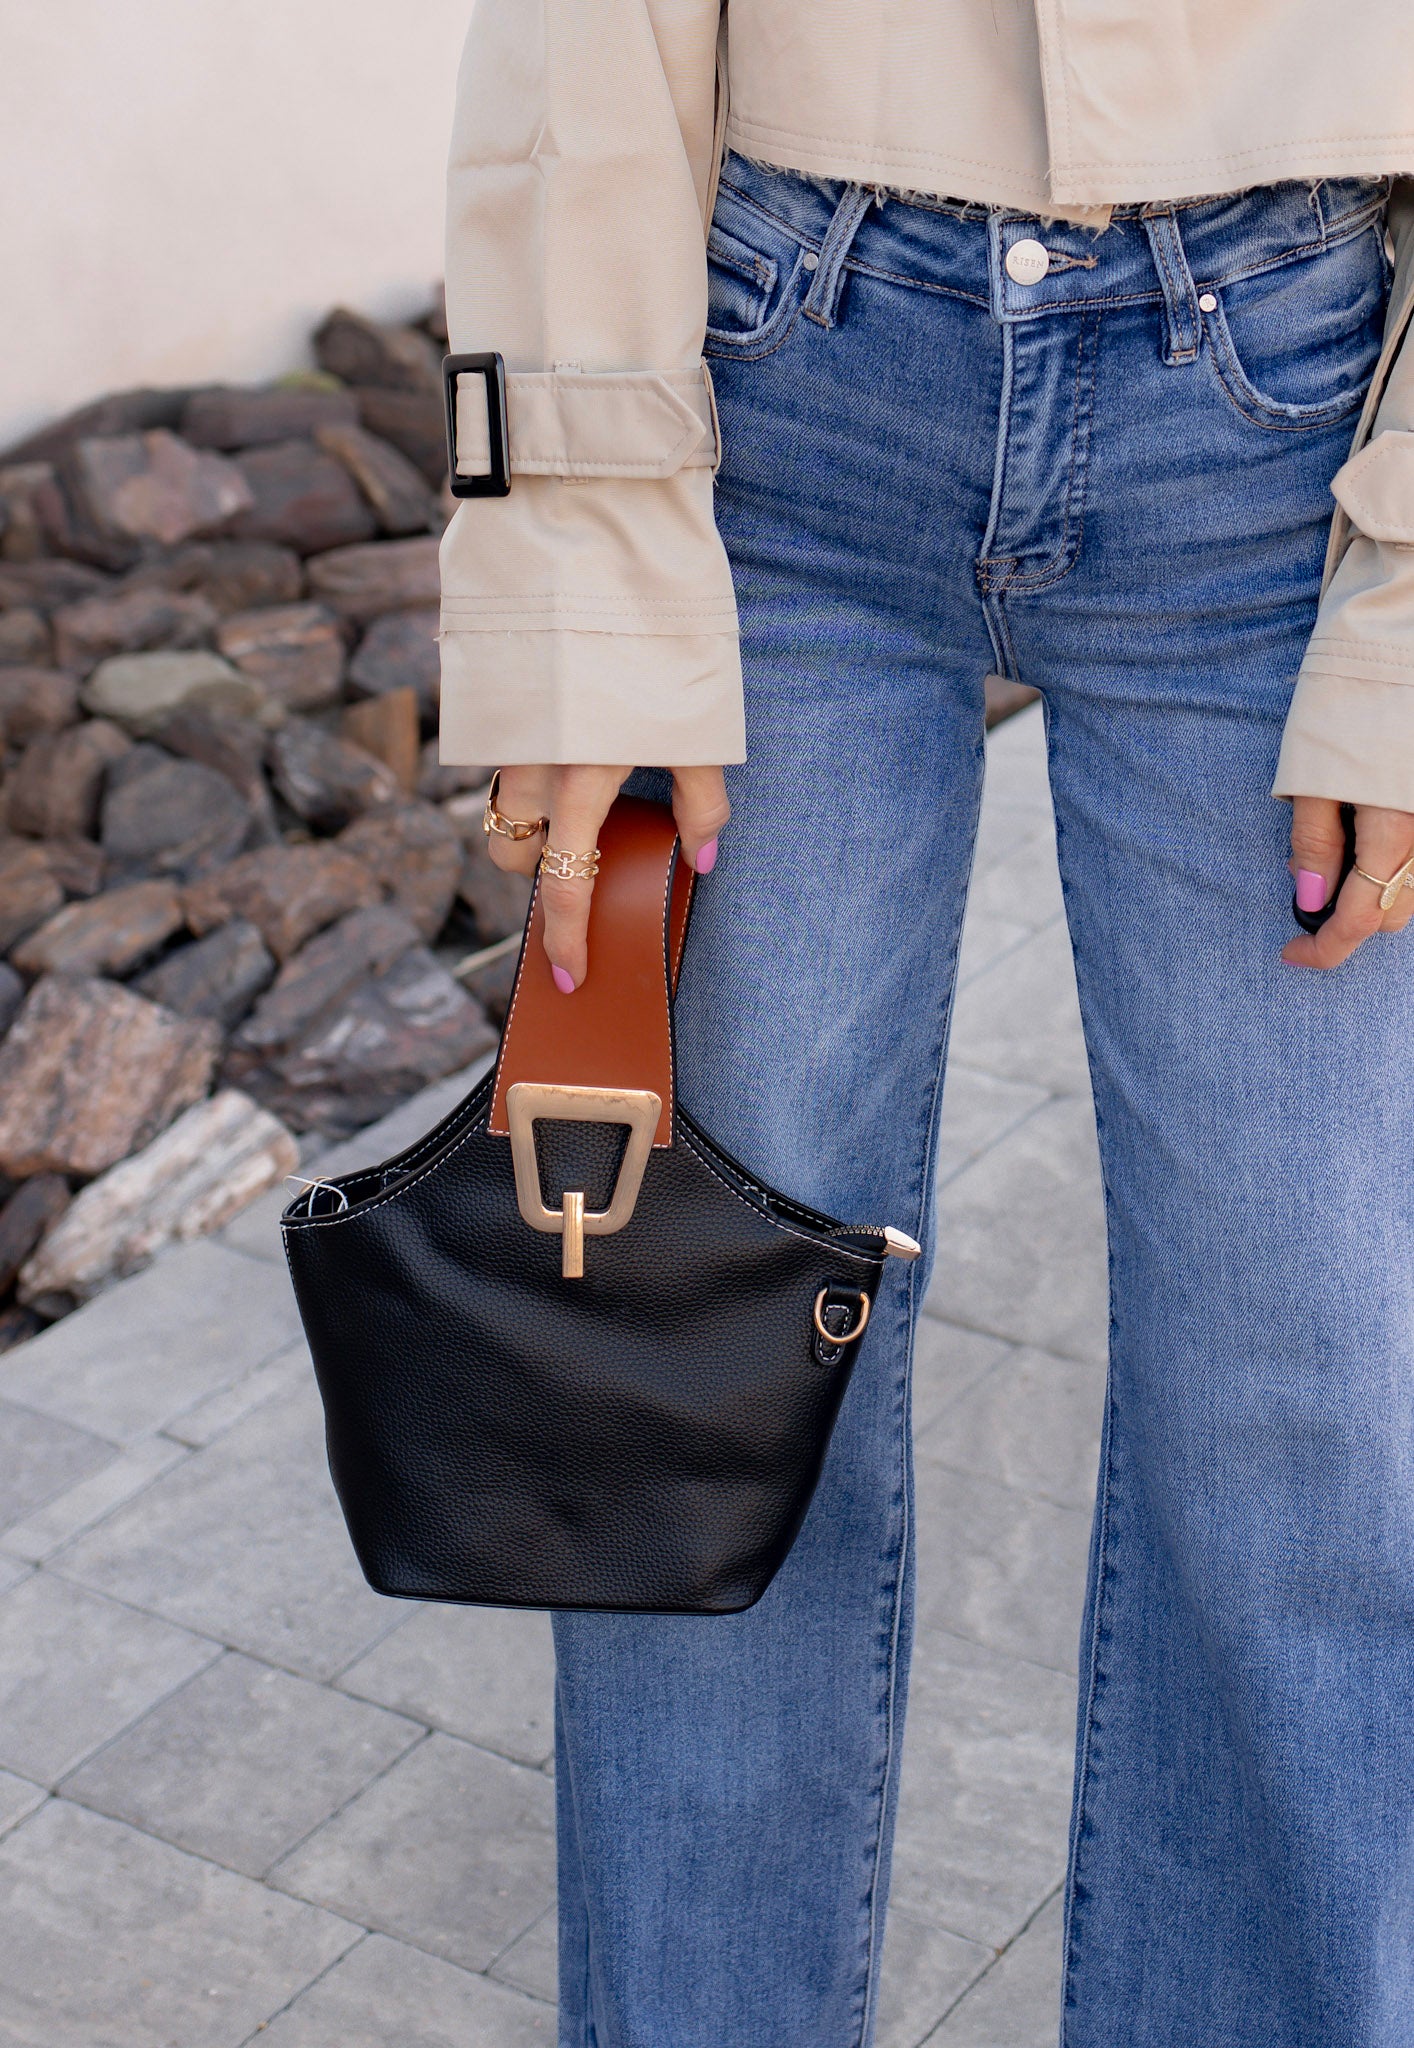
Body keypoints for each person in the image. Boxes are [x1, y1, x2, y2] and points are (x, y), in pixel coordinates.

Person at [437, 5, 1414, 2043]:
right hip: (780, 379)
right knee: (693, 1358)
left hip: (1283, 418)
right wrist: (580, 542)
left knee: (1312, 1409)